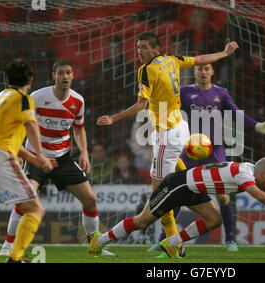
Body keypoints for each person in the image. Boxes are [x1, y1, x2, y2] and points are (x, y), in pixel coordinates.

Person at [96, 32, 239, 255]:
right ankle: (173, 240)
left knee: (158, 197)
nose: (139, 51)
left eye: (143, 47)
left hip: (167, 137)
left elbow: (140, 105)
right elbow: (199, 60)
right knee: (175, 184)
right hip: (180, 127)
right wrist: (224, 53)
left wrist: (113, 119)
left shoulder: (145, 70)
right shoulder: (171, 59)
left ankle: (171, 242)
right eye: (137, 47)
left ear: (155, 49)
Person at [149, 63, 265, 252]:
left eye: (206, 68)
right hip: (190, 151)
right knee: (176, 195)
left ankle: (230, 240)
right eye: (199, 69)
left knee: (223, 197)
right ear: (194, 72)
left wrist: (257, 126)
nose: (203, 72)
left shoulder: (222, 93)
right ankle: (164, 239)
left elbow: (236, 114)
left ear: (212, 72)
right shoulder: (184, 92)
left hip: (215, 151)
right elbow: (168, 107)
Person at [87, 157, 265, 258]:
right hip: (178, 185)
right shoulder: (243, 174)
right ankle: (98, 242)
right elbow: (261, 196)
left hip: (194, 189)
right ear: (261, 174)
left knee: (214, 219)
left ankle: (170, 244)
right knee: (142, 221)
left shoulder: (252, 170)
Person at [0, 60, 107, 256]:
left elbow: (78, 129)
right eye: (61, 73)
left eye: (68, 73)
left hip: (62, 158)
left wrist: (84, 152)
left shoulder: (78, 101)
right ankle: (7, 246)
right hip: (36, 157)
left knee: (90, 199)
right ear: (53, 75)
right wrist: (20, 149)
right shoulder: (38, 97)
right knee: (26, 201)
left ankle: (94, 246)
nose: (65, 77)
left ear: (73, 76)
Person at [0, 58, 56, 263]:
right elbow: (32, 126)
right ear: (31, 80)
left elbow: (11, 140)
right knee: (35, 209)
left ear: (7, 79)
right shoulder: (23, 98)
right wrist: (42, 156)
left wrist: (34, 158)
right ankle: (15, 259)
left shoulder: (0, 97)